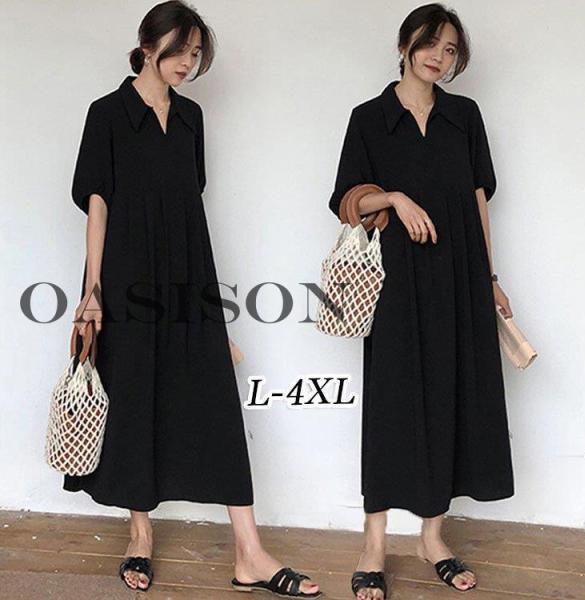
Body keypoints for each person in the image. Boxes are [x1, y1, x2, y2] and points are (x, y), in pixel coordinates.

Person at [65, 2, 320, 597]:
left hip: (189, 272)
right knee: (133, 397)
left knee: (214, 401)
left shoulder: (191, 118)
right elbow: (98, 204)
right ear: (147, 45)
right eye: (180, 49)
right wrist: (93, 293)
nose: (188, 62)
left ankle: (250, 554)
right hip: (125, 275)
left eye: (197, 52)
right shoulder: (106, 113)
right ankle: (139, 535)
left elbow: (189, 197)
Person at [328, 4, 515, 598]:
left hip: (459, 276)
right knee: (392, 404)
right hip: (396, 282)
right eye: (431, 43)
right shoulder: (369, 118)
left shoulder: (465, 116)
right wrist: (395, 197)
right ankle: (374, 543)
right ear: (405, 45)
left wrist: (489, 277)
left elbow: (478, 200)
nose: (439, 56)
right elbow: (346, 201)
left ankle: (433, 537)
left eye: (451, 49)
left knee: (453, 397)